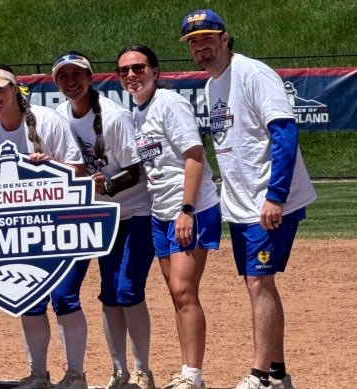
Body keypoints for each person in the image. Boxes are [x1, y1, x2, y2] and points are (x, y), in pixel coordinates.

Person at [182, 9, 316, 389]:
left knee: (258, 282)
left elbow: (285, 133)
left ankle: (259, 376)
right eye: (193, 43)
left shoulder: (253, 74)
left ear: (225, 38)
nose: (201, 48)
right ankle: (278, 374)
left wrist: (276, 195)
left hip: (267, 201)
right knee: (259, 284)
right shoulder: (212, 85)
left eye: (207, 39)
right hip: (241, 204)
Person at [0, 65, 84, 389]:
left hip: (60, 225)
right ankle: (38, 374)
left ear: (14, 89)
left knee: (64, 297)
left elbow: (77, 169)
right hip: (18, 232)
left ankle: (76, 374)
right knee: (30, 299)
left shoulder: (47, 120)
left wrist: (50, 167)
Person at [116, 43, 220, 389]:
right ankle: (187, 371)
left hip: (190, 209)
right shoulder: (137, 113)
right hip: (160, 212)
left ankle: (193, 374)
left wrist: (186, 210)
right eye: (124, 71)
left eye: (139, 68)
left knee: (183, 289)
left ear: (155, 72)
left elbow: (194, 156)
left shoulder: (169, 104)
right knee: (177, 294)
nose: (132, 75)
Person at [52, 51, 153, 389]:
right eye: (63, 77)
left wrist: (108, 185)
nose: (70, 82)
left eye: (77, 74)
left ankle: (142, 371)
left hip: (133, 211)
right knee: (110, 294)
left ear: (90, 76)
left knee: (127, 290)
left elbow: (136, 170)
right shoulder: (58, 116)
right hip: (95, 217)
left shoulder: (113, 116)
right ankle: (119, 372)